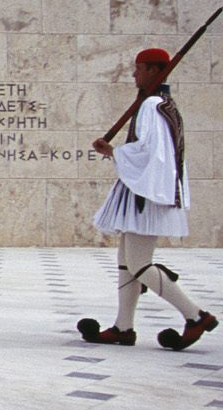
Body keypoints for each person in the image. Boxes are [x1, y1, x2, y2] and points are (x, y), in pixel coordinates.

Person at [79, 46, 216, 350]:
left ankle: (196, 316)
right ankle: (123, 328)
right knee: (126, 262)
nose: (134, 74)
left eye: (139, 68)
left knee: (139, 263)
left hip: (146, 194)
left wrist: (113, 151)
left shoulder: (154, 105)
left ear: (154, 71)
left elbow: (150, 153)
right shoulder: (159, 103)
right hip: (142, 191)